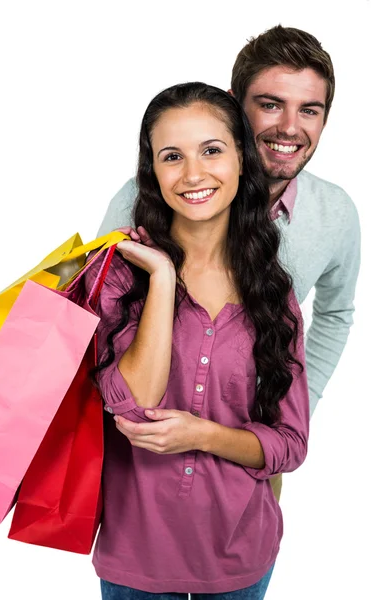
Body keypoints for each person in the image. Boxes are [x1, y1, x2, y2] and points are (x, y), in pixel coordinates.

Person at [96, 26, 360, 502]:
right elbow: (100, 311)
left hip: (251, 441)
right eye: (271, 103)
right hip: (150, 437)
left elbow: (337, 313)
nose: (289, 127)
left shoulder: (335, 213)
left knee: (241, 557)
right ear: (235, 106)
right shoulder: (149, 198)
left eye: (310, 110)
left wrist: (298, 408)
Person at [85, 82, 309, 599]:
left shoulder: (274, 294)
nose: (193, 174)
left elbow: (290, 445)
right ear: (152, 172)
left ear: (241, 159)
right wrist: (163, 279)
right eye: (172, 156)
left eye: (211, 150)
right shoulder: (121, 277)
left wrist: (200, 434)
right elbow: (134, 409)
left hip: (241, 553)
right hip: (135, 558)